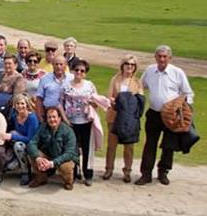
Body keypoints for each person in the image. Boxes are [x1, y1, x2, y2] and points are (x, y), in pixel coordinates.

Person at [137, 45, 194, 186]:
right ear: (155, 57)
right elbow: (140, 85)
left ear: (170, 58)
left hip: (171, 115)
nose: (162, 59)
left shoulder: (177, 72)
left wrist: (184, 106)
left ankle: (163, 172)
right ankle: (146, 174)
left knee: (169, 145)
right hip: (154, 113)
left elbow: (188, 92)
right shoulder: (150, 70)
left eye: (165, 56)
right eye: (159, 56)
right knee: (150, 143)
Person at [104, 55, 144, 183]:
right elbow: (110, 96)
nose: (129, 66)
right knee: (111, 145)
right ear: (122, 65)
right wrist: (114, 102)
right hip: (115, 116)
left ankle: (127, 171)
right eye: (127, 63)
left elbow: (140, 100)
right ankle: (109, 169)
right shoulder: (115, 79)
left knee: (129, 146)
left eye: (132, 64)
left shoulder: (137, 82)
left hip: (129, 119)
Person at [61, 59, 100, 186]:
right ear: (72, 71)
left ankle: (88, 174)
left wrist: (91, 103)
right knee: (73, 148)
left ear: (85, 73)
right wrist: (65, 119)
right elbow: (60, 103)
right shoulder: (66, 85)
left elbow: (97, 102)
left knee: (87, 148)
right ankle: (74, 171)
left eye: (82, 71)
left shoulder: (89, 85)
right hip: (71, 122)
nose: (79, 72)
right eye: (77, 70)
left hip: (86, 121)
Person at [27, 106, 78, 190]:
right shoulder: (42, 127)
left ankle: (68, 181)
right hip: (48, 155)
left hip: (64, 158)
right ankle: (41, 178)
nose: (52, 120)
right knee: (32, 154)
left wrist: (53, 163)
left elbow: (70, 153)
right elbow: (32, 143)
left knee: (66, 167)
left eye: (54, 117)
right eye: (49, 117)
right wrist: (38, 158)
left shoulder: (68, 131)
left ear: (59, 118)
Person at [2, 94, 39, 186]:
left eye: (22, 103)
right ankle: (13, 161)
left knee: (17, 144)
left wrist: (12, 136)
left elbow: (30, 138)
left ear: (27, 105)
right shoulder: (15, 116)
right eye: (17, 103)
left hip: (32, 143)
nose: (20, 106)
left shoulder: (32, 118)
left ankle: (25, 171)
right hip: (20, 140)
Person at [35, 56, 72, 121]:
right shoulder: (45, 79)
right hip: (50, 115)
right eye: (56, 64)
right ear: (52, 65)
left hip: (69, 114)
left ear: (65, 65)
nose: (58, 66)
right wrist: (40, 116)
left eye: (61, 64)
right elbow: (39, 98)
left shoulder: (71, 78)